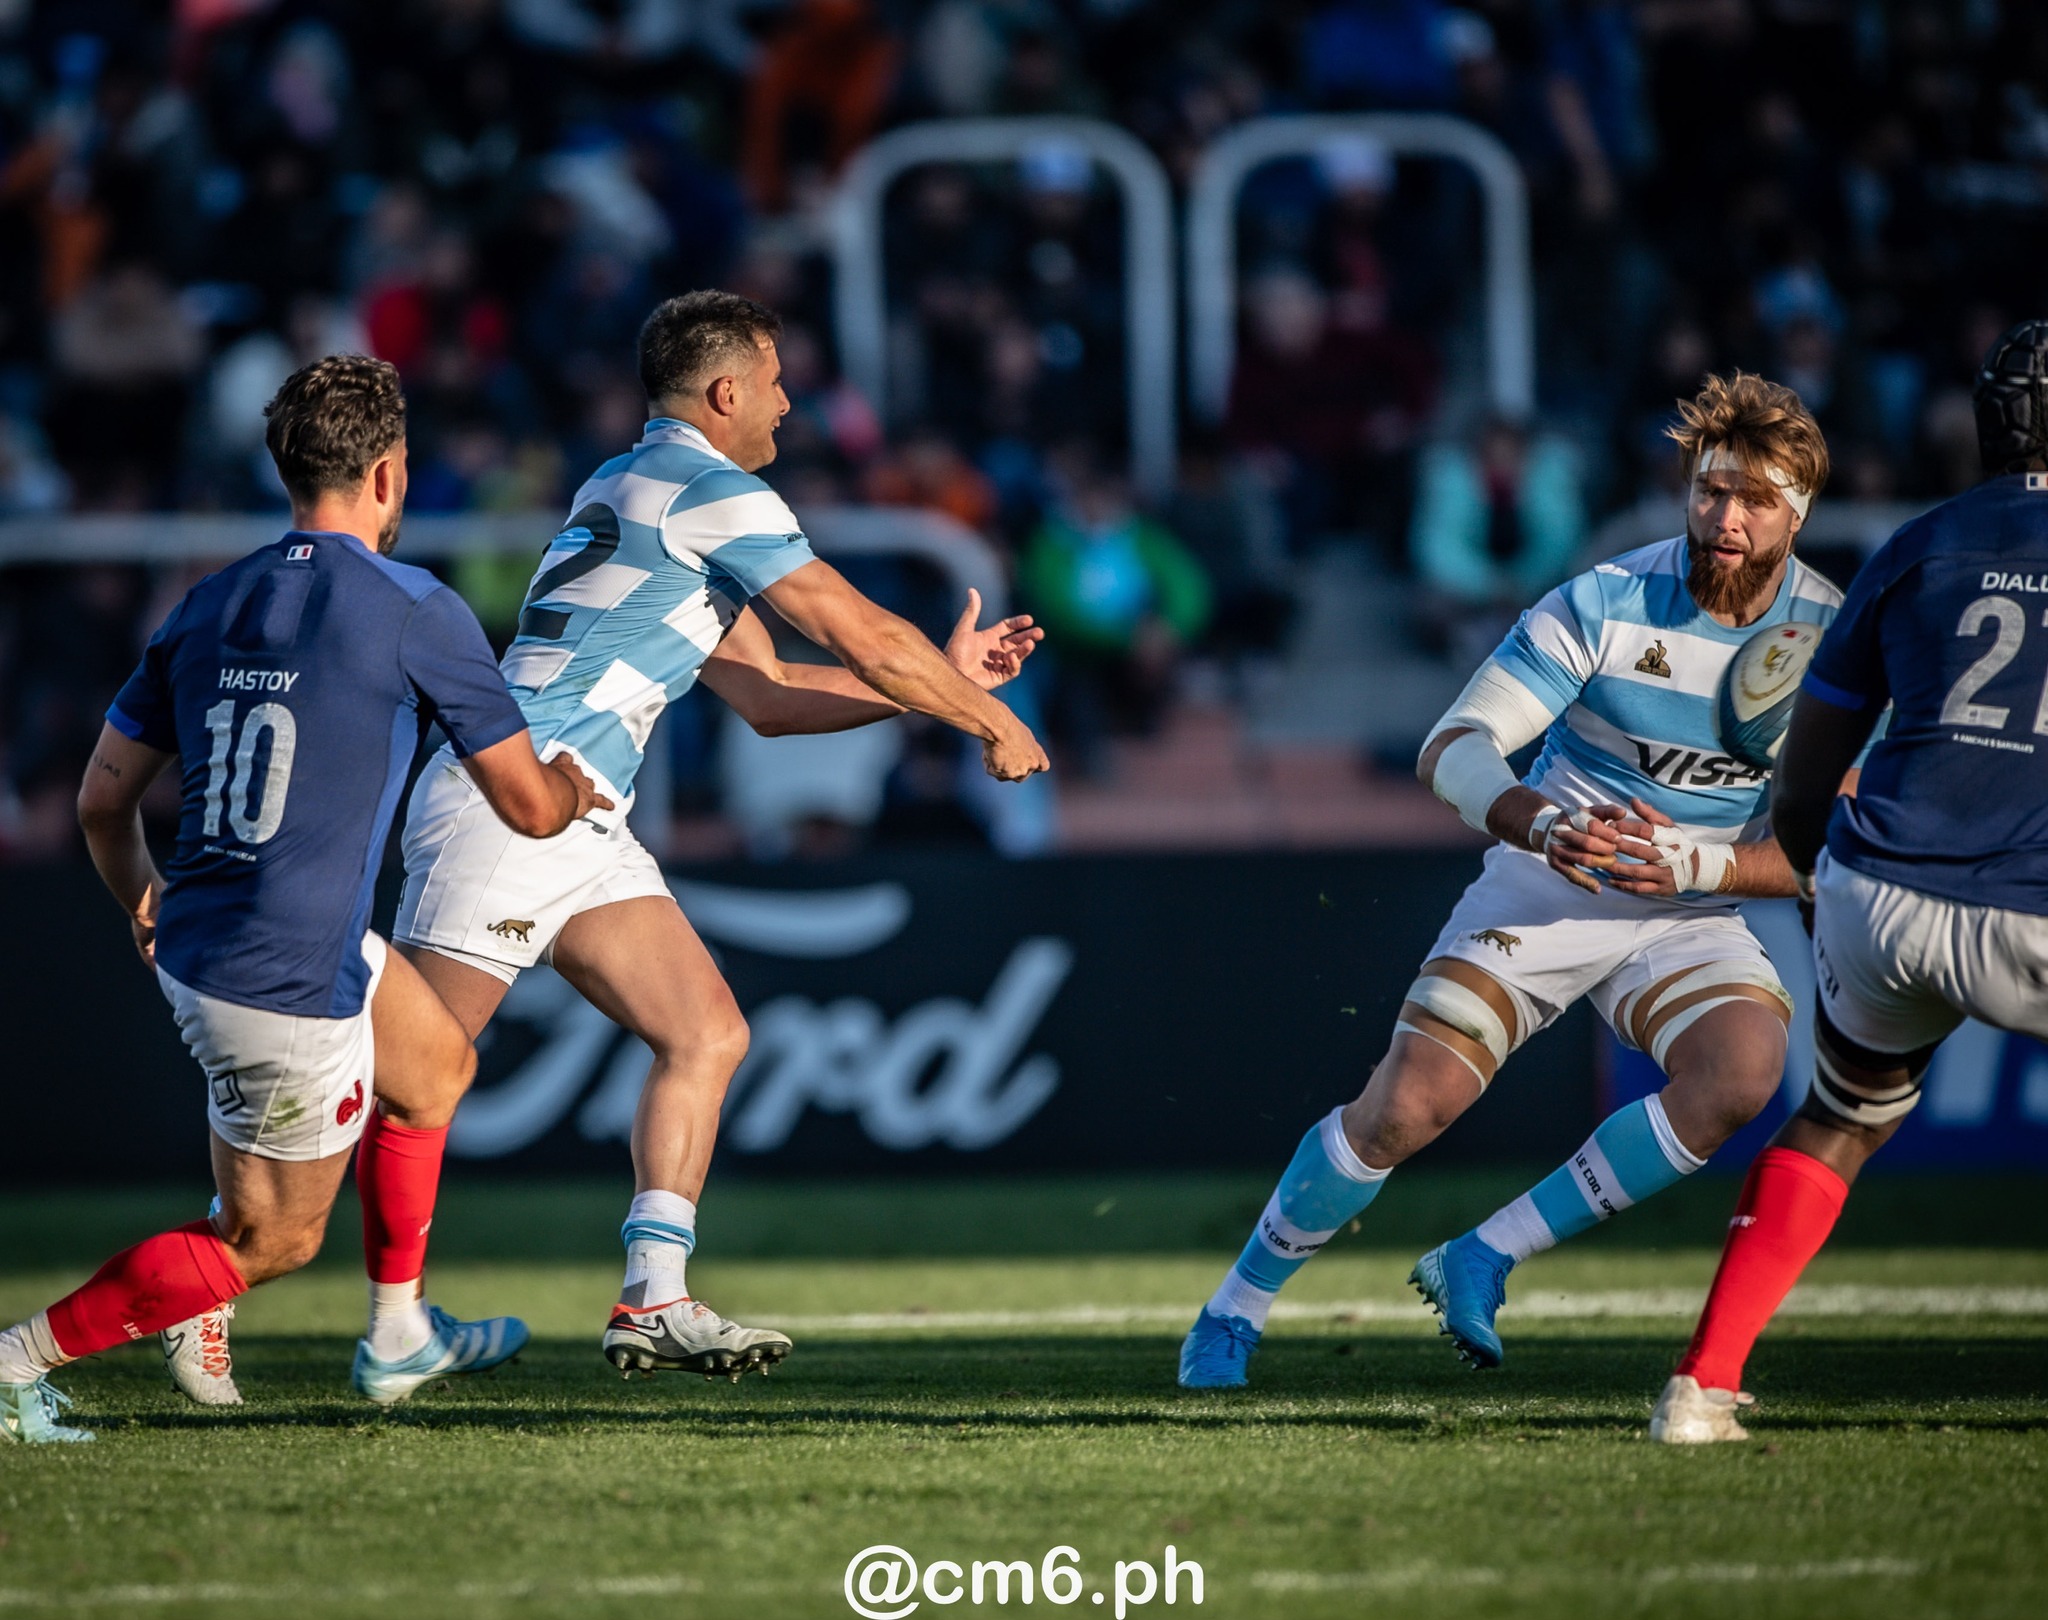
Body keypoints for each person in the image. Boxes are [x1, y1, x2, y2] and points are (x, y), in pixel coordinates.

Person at [377, 290, 1041, 1383]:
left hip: (578, 813)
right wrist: (989, 720)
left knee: (706, 1033)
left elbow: (770, 694)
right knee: (401, 1079)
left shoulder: (633, 481)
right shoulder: (713, 491)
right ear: (726, 392)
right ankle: (226, 1257)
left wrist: (941, 682)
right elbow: (860, 631)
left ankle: (653, 1297)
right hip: (515, 803)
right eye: (775, 383)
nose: (787, 404)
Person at [1180, 372, 1846, 1389]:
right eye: (1711, 491)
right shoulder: (1604, 600)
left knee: (1742, 1071)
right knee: (1404, 1109)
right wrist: (1545, 823)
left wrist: (1699, 865)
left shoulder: (1835, 640)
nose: (1725, 518)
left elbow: (1839, 841)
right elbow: (1452, 747)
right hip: (1550, 880)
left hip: (1689, 905)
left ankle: (1482, 1255)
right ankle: (1234, 1306)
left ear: (1796, 513)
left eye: (1754, 500)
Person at [0, 356, 606, 1443]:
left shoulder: (207, 600)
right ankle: (15, 1363)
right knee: (270, 1242)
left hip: (222, 933)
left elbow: (99, 804)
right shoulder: (417, 607)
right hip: (279, 975)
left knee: (435, 1068)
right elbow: (527, 807)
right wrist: (572, 786)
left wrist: (144, 898)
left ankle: (399, 1330)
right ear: (388, 474)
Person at [1650, 321, 2048, 1442]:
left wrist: (1816, 871)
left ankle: (1700, 1387)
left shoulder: (1918, 543)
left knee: (1838, 1117)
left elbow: (1806, 771)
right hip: (2032, 898)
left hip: (1881, 894)